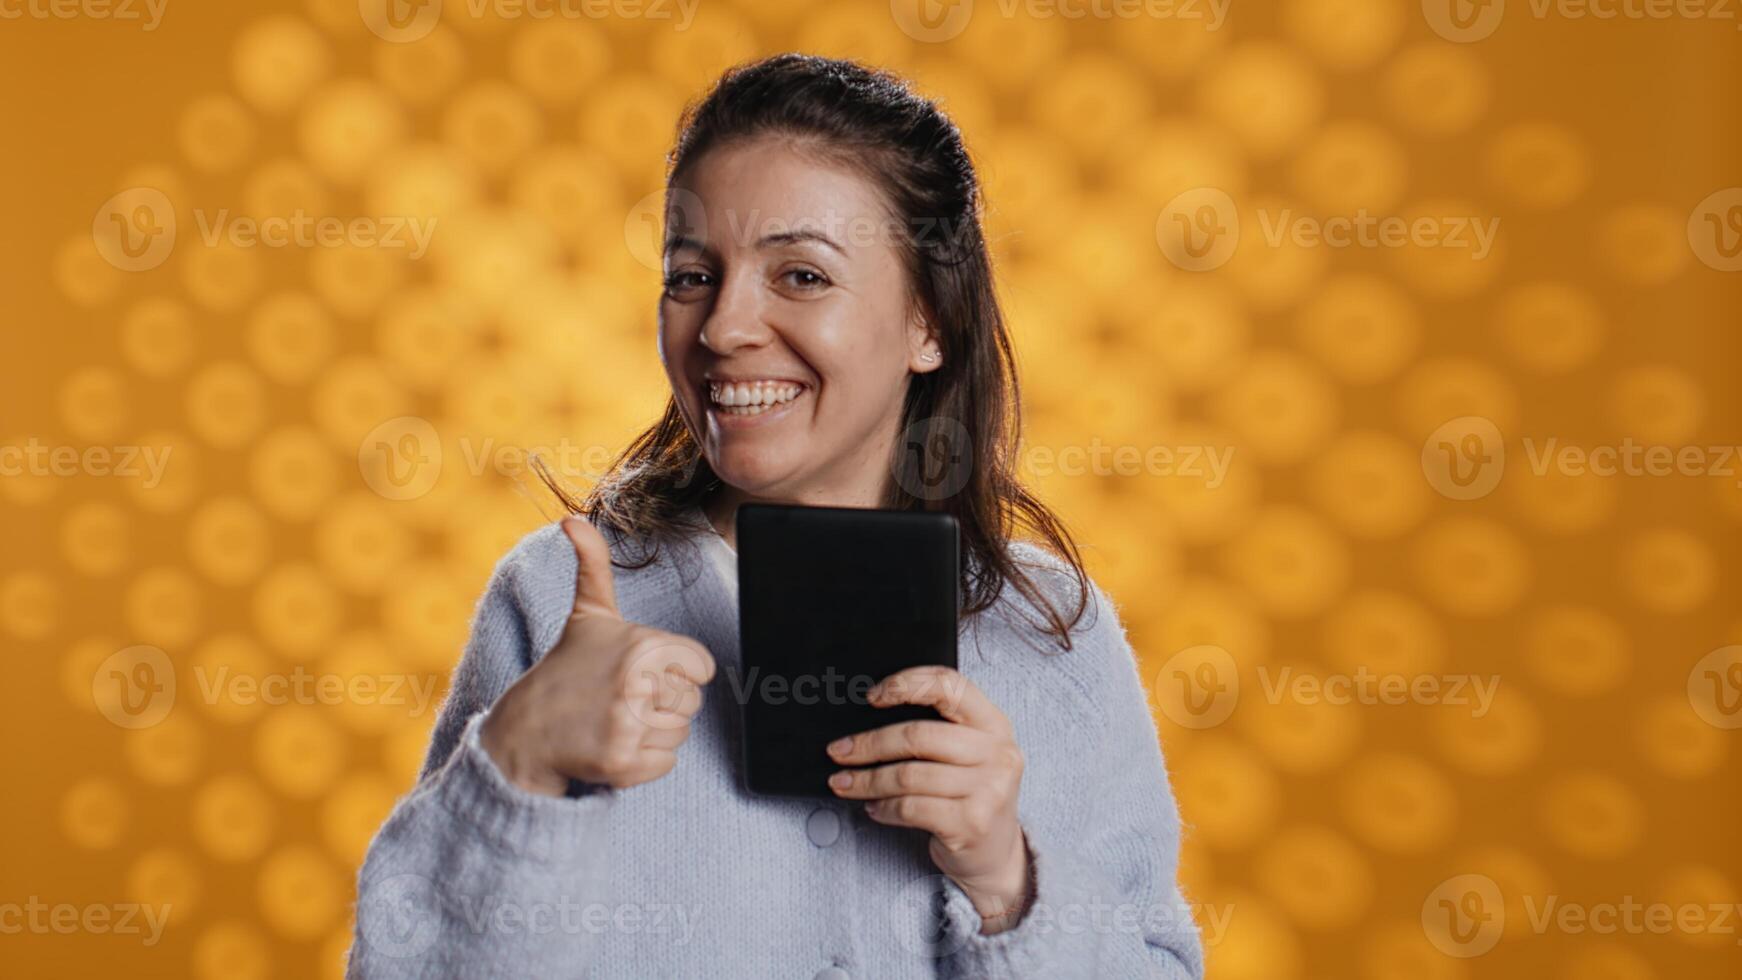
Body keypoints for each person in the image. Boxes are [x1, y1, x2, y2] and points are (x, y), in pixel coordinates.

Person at [348, 53, 1203, 979]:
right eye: (689, 275)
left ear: (930, 322)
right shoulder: (553, 599)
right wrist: (515, 765)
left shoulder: (1055, 638)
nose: (721, 329)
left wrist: (1009, 882)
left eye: (800, 276)